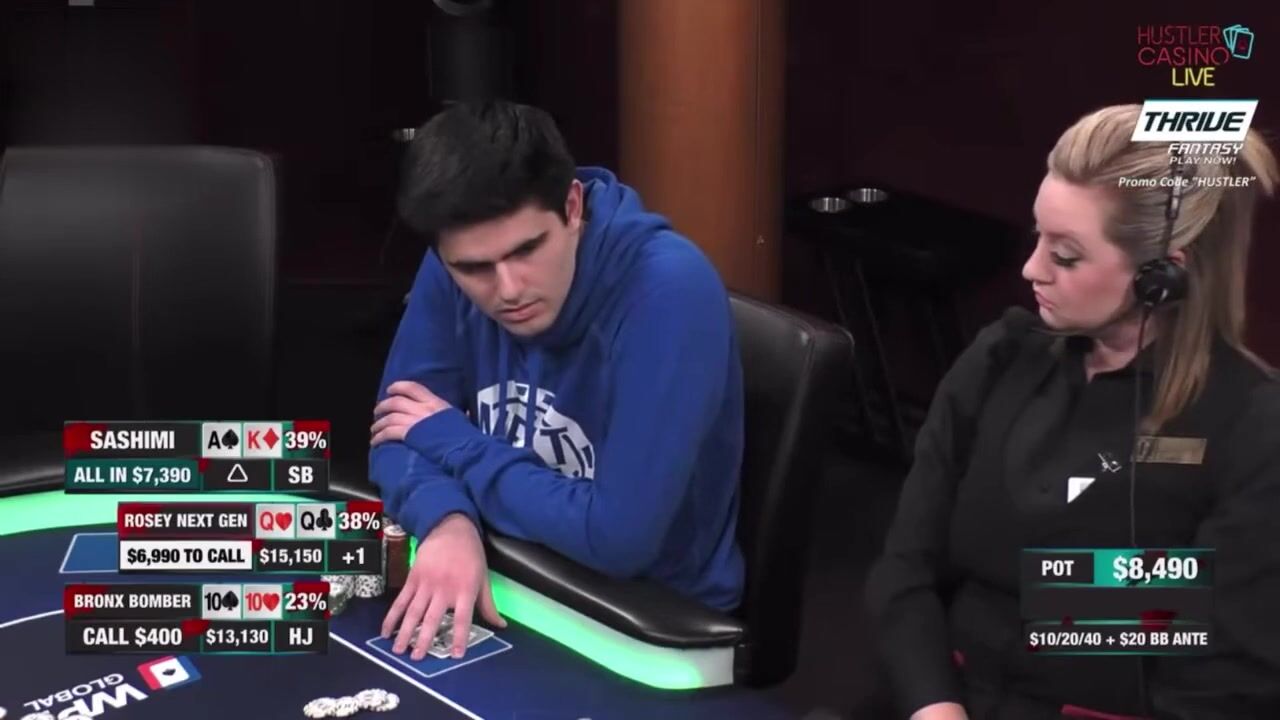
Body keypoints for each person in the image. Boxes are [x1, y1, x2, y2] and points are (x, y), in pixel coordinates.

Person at [865, 103, 1280, 720]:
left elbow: (1222, 681)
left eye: (1065, 255)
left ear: (1162, 276)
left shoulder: (1253, 427)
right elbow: (905, 571)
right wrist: (934, 706)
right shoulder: (1001, 357)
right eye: (1039, 237)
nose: (1031, 269)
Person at [367, 100, 746, 661]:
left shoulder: (670, 290)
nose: (508, 289)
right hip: (512, 569)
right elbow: (395, 432)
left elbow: (617, 540)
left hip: (649, 619)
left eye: (527, 249)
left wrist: (454, 442)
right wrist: (446, 519)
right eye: (474, 269)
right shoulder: (453, 257)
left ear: (572, 207)